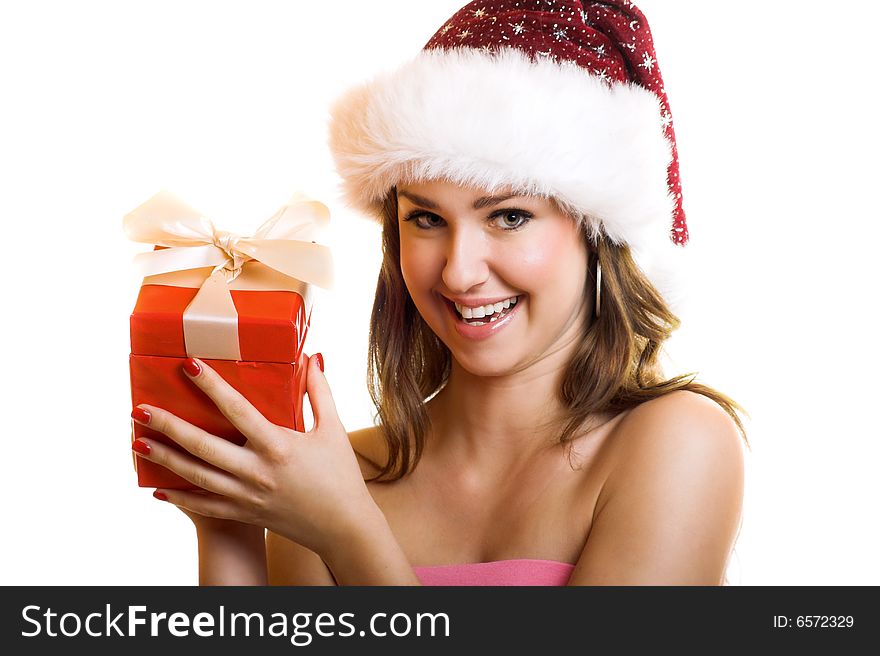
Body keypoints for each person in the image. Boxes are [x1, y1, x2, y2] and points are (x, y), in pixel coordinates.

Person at [130, 0, 748, 586]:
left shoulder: (677, 443)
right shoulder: (330, 475)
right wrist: (230, 522)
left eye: (508, 216)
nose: (458, 273)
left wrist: (348, 532)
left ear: (596, 231)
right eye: (426, 219)